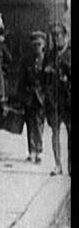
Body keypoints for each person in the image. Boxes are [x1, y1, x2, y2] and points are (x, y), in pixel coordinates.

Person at [43, 22, 71, 175]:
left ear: (64, 36)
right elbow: (43, 76)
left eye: (58, 35)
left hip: (68, 100)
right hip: (54, 100)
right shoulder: (49, 55)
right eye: (53, 36)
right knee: (55, 132)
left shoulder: (69, 53)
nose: (55, 38)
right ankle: (58, 164)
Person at [17, 32, 47, 163]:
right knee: (30, 123)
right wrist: (20, 96)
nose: (36, 48)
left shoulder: (46, 60)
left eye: (39, 45)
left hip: (41, 96)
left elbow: (49, 80)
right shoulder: (26, 60)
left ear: (43, 45)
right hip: (29, 96)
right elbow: (21, 80)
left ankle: (39, 150)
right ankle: (31, 151)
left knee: (39, 123)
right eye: (34, 45)